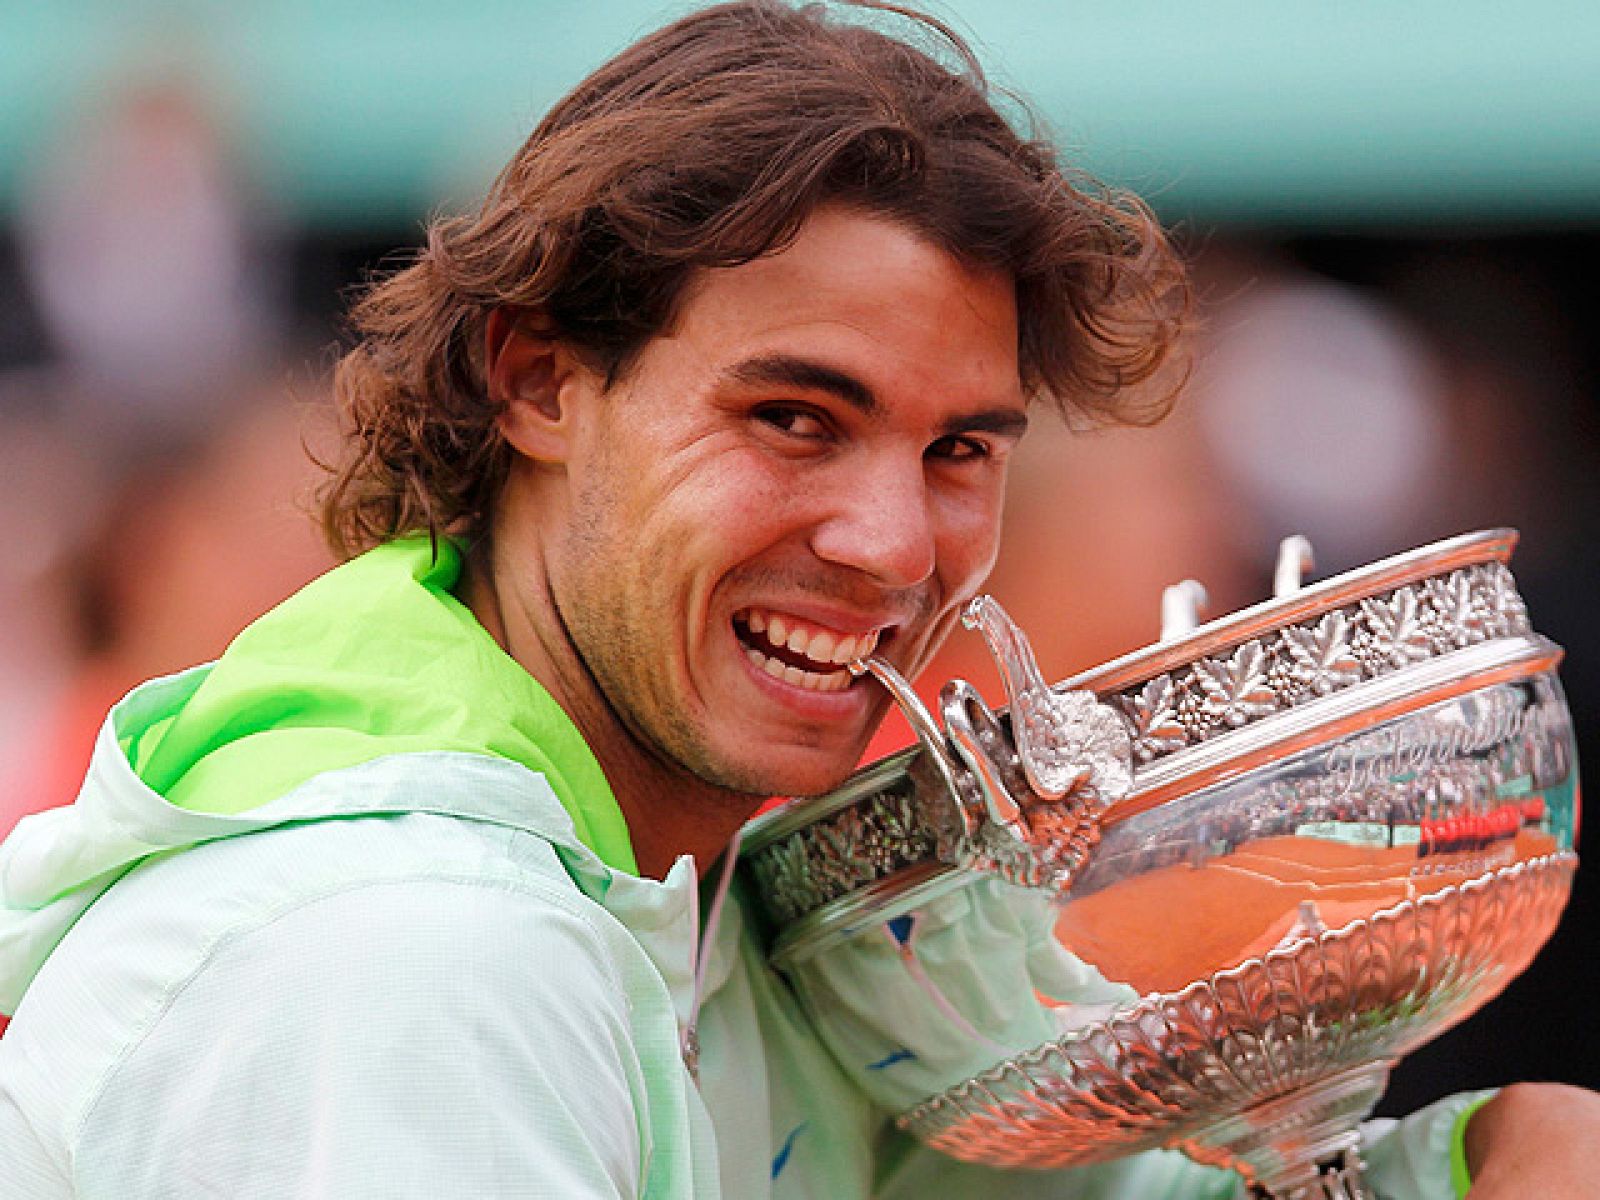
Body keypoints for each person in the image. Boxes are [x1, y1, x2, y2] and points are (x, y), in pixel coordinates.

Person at [0, 2, 1594, 1196]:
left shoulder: (720, 870)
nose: (897, 545)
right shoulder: (411, 966)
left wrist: (1456, 1170)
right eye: (793, 420)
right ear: (540, 381)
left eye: (961, 448)